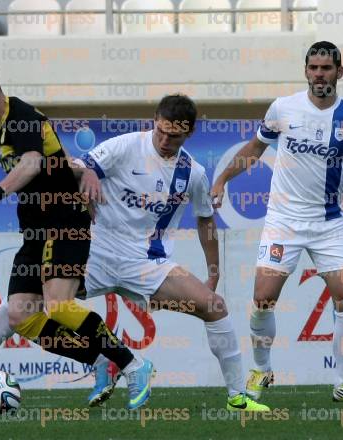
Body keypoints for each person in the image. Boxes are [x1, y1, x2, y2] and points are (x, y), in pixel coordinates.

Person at [0, 58, 153, 410]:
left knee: (59, 305)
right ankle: (98, 360)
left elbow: (31, 161)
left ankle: (134, 365)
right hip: (35, 229)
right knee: (20, 315)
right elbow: (54, 158)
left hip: (63, 222)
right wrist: (82, 169)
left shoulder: (20, 116)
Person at [210, 41, 343, 403]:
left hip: (329, 222)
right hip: (284, 221)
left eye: (326, 68)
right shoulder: (283, 108)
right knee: (263, 298)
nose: (319, 75)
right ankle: (262, 370)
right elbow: (254, 149)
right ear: (305, 71)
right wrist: (222, 180)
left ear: (340, 72)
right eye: (313, 68)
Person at [76, 94, 268, 411]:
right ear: (155, 119)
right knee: (32, 301)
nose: (165, 140)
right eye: (160, 131)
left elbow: (205, 220)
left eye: (174, 135)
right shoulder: (124, 146)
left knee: (215, 306)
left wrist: (214, 272)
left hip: (148, 265)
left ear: (188, 133)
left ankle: (237, 396)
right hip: (96, 254)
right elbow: (76, 166)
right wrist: (87, 172)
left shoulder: (191, 173)